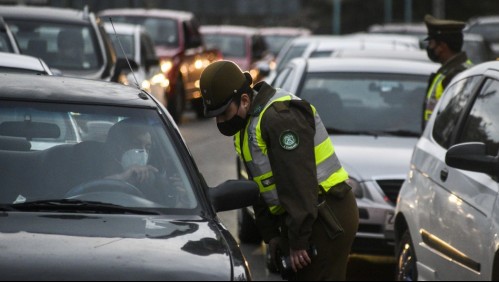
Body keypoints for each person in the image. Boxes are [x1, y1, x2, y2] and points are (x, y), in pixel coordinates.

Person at [199, 60, 359, 281]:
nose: (220, 121)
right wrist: (272, 235)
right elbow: (261, 187)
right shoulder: (247, 125)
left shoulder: (280, 119)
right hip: (306, 216)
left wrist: (298, 241)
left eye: (224, 113)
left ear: (244, 100)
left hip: (326, 217)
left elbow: (298, 184)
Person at [423, 14, 473, 125]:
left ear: (443, 46)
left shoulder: (457, 75)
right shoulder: (449, 71)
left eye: (431, 43)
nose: (429, 48)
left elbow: (453, 121)